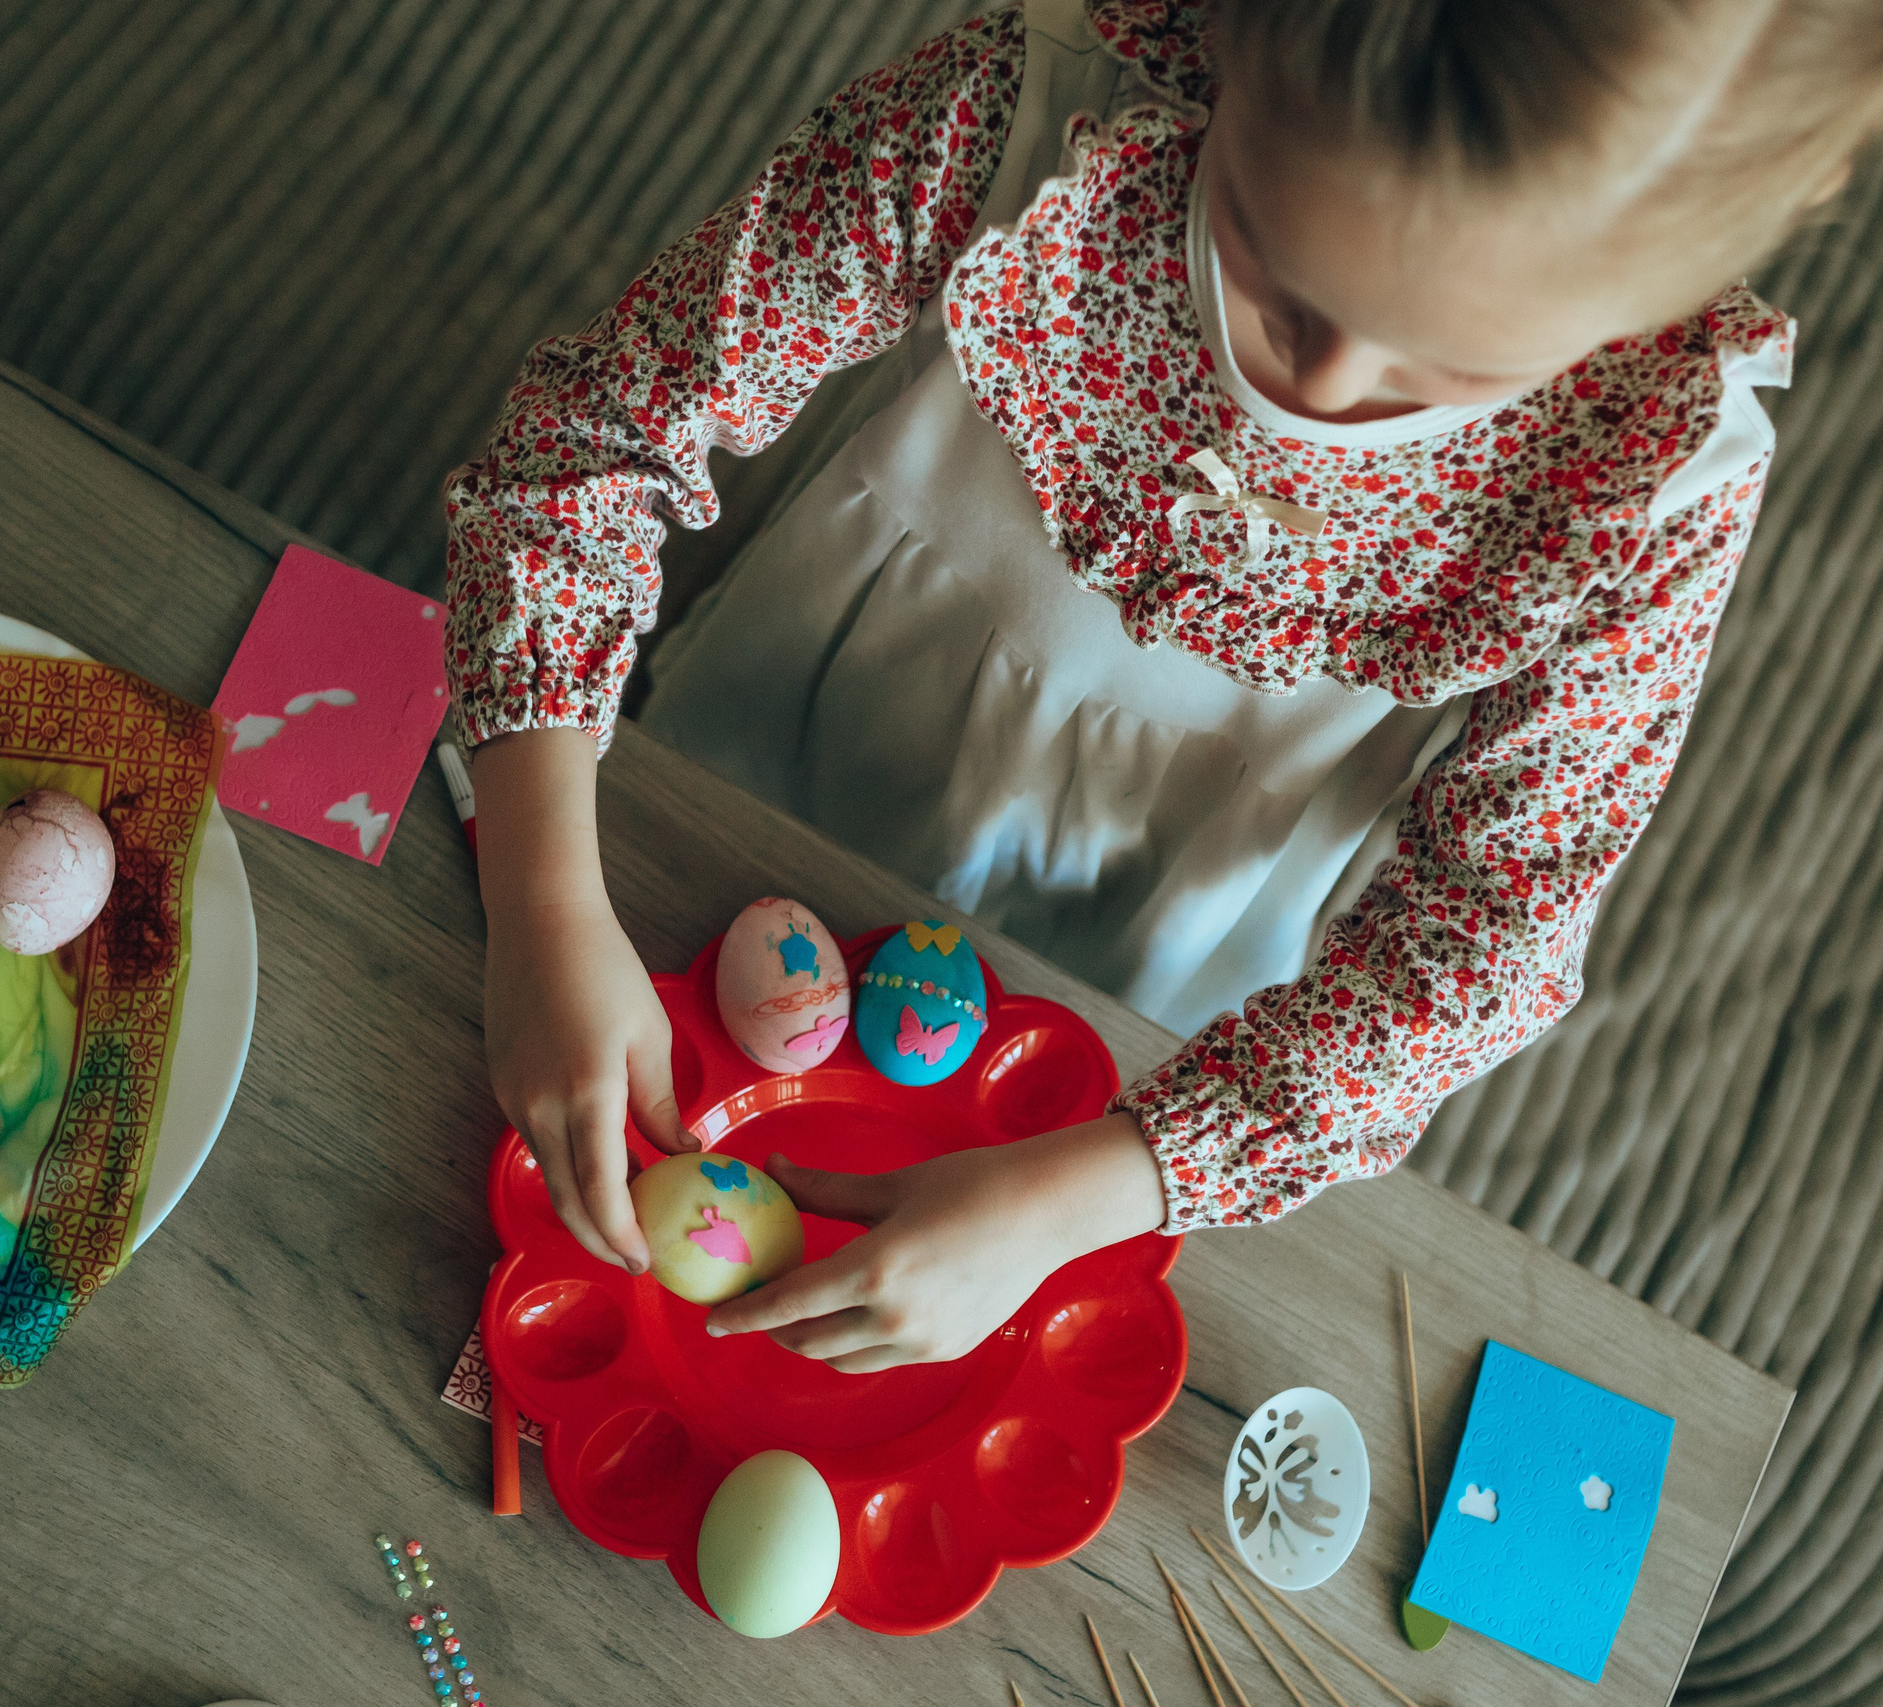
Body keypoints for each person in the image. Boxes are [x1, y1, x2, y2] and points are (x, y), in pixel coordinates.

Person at [441, 0, 1881, 1374]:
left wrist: (1084, 1194)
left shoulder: (1651, 487)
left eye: (1452, 370)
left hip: (1154, 981)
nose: (1321, 388)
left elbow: (1484, 944)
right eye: (1267, 254)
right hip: (772, 752)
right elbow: (594, 439)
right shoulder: (1040, 115)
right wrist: (545, 898)